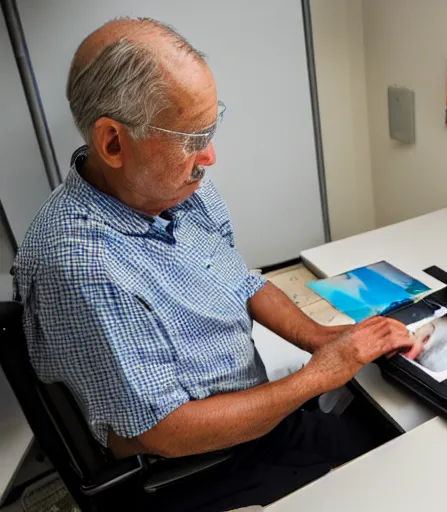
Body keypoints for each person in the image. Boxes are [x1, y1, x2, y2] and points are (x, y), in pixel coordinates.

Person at [12, 17, 423, 511]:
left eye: (210, 129)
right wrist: (318, 376)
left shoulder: (176, 188)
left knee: (393, 417)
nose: (209, 156)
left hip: (257, 404)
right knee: (406, 466)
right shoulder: (80, 266)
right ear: (113, 143)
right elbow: (164, 432)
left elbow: (240, 281)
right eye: (190, 138)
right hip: (203, 461)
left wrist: (320, 339)